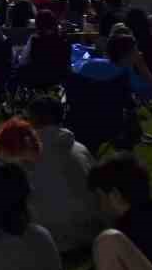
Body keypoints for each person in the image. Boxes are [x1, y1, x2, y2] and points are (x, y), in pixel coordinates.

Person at [25, 95, 102, 253]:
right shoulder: (79, 148)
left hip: (52, 238)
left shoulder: (24, 154)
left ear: (35, 118)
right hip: (92, 230)